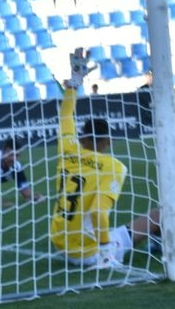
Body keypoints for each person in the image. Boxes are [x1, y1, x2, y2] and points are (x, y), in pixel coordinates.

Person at [50, 48, 160, 268]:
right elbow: (98, 211)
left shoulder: (68, 148)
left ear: (82, 137)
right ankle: (159, 246)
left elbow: (65, 115)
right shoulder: (113, 166)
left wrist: (73, 83)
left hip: (60, 243)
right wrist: (104, 249)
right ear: (107, 140)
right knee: (161, 214)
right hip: (90, 252)